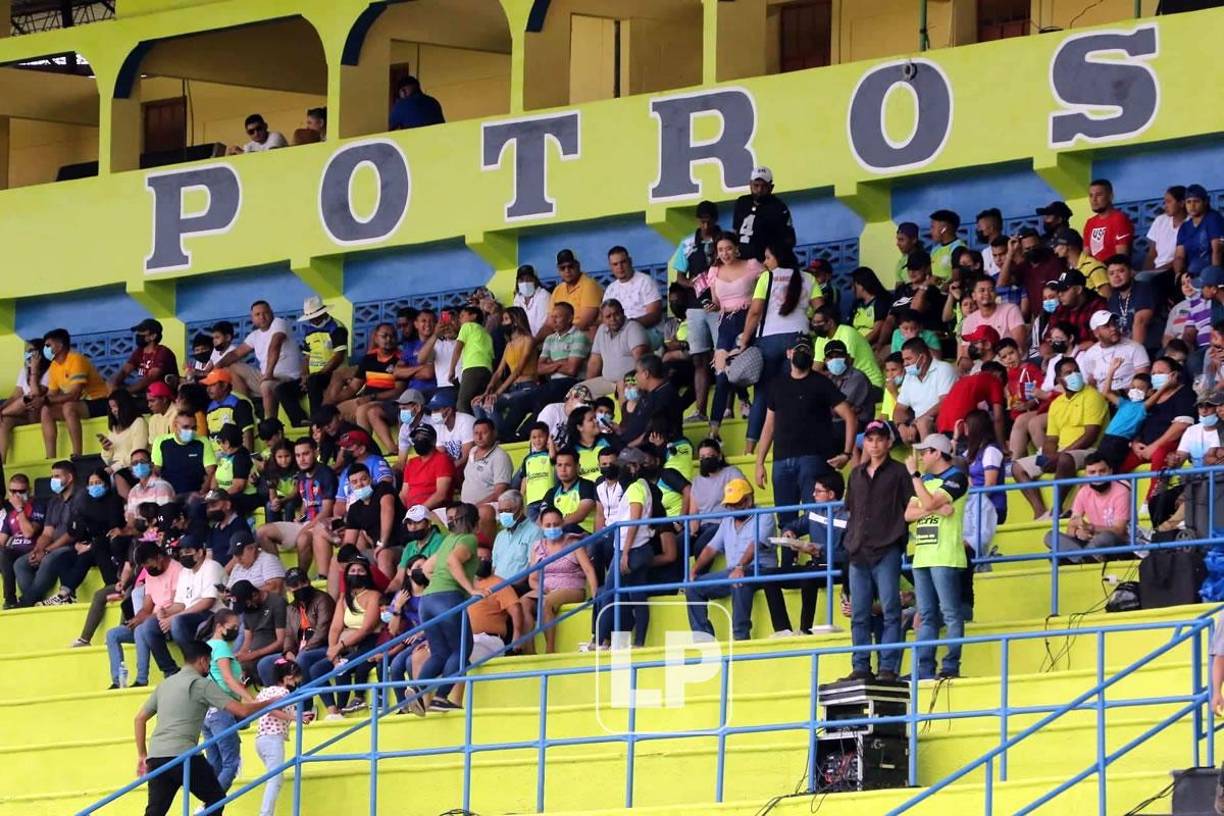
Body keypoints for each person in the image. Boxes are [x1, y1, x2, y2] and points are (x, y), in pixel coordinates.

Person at [134, 640, 273, 816]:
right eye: (209, 662)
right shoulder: (201, 684)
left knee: (155, 811)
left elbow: (139, 719)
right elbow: (242, 710)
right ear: (202, 661)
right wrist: (271, 702)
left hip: (157, 757)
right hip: (184, 755)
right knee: (216, 798)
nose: (209, 667)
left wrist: (142, 754)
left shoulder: (165, 684)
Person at [753, 335, 856, 536]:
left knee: (816, 517)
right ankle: (788, 565)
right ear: (789, 353)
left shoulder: (821, 383)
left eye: (807, 350)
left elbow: (850, 417)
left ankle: (819, 559)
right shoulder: (777, 384)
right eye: (798, 349)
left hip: (813, 458)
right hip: (781, 460)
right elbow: (768, 425)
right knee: (785, 520)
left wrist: (847, 453)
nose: (802, 353)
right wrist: (759, 462)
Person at [842, 421, 914, 682]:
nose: (874, 444)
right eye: (870, 439)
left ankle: (887, 667)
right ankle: (861, 666)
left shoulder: (898, 473)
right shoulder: (856, 474)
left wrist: (897, 537)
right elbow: (852, 511)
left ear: (889, 442)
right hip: (859, 550)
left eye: (879, 439)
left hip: (887, 549)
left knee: (891, 609)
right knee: (859, 612)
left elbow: (910, 508)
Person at [739, 243, 822, 452]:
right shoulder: (808, 278)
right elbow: (821, 310)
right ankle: (789, 445)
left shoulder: (767, 278)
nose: (765, 263)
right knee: (792, 393)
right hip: (798, 340)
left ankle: (750, 449)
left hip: (768, 341)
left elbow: (755, 312)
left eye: (767, 258)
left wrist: (744, 340)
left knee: (762, 395)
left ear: (778, 257)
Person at [904, 435, 969, 681]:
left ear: (937, 453)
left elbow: (928, 501)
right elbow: (908, 514)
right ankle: (924, 669)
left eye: (925, 452)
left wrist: (915, 478)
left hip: (946, 555)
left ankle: (951, 666)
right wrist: (932, 508)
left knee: (950, 613)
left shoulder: (956, 478)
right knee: (927, 614)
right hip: (922, 555)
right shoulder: (927, 481)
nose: (920, 457)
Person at [1012, 358, 1109, 519]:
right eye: (1068, 373)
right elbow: (1051, 438)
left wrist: (1058, 456)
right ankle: (1040, 512)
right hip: (1061, 452)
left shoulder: (1093, 396)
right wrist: (1049, 456)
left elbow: (1090, 436)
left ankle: (1057, 509)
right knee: (1017, 467)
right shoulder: (1057, 403)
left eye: (1076, 371)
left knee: (1065, 459)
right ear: (1059, 380)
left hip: (1088, 451)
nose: (1074, 375)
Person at [684, 476, 777, 643]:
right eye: (730, 505)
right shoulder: (727, 521)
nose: (733, 509)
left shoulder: (765, 516)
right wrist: (693, 570)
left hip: (761, 569)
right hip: (735, 571)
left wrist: (740, 566)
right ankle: (704, 639)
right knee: (692, 587)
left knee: (738, 580)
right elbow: (711, 548)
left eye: (737, 504)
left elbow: (755, 545)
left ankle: (740, 636)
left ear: (749, 500)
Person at [412, 502, 482, 712]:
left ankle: (417, 690)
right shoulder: (468, 539)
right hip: (448, 599)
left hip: (428, 600)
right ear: (474, 523)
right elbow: (453, 561)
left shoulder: (447, 541)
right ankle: (441, 697)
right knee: (462, 650)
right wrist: (470, 589)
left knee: (440, 654)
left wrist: (439, 583)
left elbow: (426, 568)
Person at [309, 556, 383, 719]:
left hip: (370, 642)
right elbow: (335, 628)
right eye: (353, 570)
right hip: (347, 645)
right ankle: (332, 710)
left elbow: (366, 629)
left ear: (367, 574)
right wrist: (332, 649)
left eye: (360, 570)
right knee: (316, 669)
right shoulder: (344, 599)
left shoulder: (374, 596)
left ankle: (343, 707)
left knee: (342, 666)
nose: (356, 573)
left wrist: (339, 646)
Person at [519, 506, 598, 654]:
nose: (552, 528)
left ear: (562, 523)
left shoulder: (574, 543)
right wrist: (544, 589)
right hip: (546, 590)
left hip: (572, 589)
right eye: (548, 525)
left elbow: (588, 569)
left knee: (547, 602)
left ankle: (550, 650)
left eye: (556, 524)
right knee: (524, 602)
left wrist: (595, 595)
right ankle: (530, 652)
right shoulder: (537, 547)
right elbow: (533, 579)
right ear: (541, 526)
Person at [103, 541, 182, 688]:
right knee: (112, 635)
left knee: (141, 628)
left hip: (166, 621)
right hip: (149, 621)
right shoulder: (151, 574)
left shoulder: (176, 570)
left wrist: (142, 620)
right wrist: (136, 618)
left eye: (149, 564)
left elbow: (174, 605)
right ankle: (117, 681)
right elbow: (146, 607)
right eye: (145, 567)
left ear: (159, 557)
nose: (148, 569)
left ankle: (141, 680)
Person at [707, 231, 763, 435]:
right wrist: (710, 306)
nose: (725, 253)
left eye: (728, 248)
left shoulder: (752, 265)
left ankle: (747, 402)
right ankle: (714, 430)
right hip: (725, 324)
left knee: (739, 367)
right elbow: (717, 302)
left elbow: (767, 288)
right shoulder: (714, 271)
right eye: (720, 250)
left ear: (736, 248)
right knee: (721, 376)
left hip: (747, 320)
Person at [214, 301, 305, 423]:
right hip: (267, 377)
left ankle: (270, 423)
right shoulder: (254, 335)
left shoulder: (279, 323)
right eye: (257, 314)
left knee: (266, 385)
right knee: (233, 367)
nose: (262, 317)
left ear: (272, 313)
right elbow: (236, 353)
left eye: (265, 313)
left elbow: (275, 345)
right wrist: (217, 366)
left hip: (288, 379)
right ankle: (248, 412)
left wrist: (268, 373)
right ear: (252, 318)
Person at [12, 459, 84, 606]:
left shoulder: (81, 497)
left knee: (48, 559)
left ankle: (27, 601)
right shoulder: (53, 502)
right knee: (20, 563)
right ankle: (33, 600)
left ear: (69, 478)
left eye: (57, 476)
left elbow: (72, 534)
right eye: (52, 477)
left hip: (72, 546)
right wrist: (38, 550)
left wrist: (47, 551)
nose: (53, 480)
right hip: (50, 547)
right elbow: (47, 533)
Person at [201, 609, 254, 794]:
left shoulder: (207, 646)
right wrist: (251, 700)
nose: (236, 631)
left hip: (206, 713)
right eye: (232, 627)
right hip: (222, 710)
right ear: (219, 627)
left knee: (214, 766)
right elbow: (229, 680)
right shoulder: (221, 647)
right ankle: (209, 806)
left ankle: (209, 807)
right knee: (231, 763)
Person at [1042, 453, 1130, 563]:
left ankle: (1076, 558)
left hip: (1115, 543)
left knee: (1105, 537)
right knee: (1050, 536)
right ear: (1086, 474)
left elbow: (1120, 531)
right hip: (1089, 541)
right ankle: (1085, 558)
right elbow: (1071, 527)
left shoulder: (1121, 491)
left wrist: (1090, 527)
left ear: (1111, 471)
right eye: (1092, 472)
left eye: (1102, 471)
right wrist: (1078, 532)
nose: (1097, 476)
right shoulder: (1084, 492)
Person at [38, 328, 110, 459]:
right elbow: (51, 394)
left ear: (60, 345)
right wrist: (39, 401)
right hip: (80, 404)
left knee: (69, 406)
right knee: (45, 410)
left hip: (99, 401)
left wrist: (46, 400)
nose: (45, 349)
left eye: (48, 345)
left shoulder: (76, 360)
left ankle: (77, 454)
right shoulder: (54, 366)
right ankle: (50, 457)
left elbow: (75, 394)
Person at [473, 306, 538, 440]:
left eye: (506, 319)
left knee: (492, 403)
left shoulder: (528, 340)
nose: (503, 323)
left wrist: (497, 394)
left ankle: (498, 438)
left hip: (528, 387)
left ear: (516, 321)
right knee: (478, 403)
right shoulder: (509, 345)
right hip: (513, 389)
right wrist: (486, 392)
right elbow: (498, 372)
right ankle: (485, 437)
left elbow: (518, 371)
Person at [266, 567, 335, 691]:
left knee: (303, 658)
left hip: (323, 647)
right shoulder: (291, 608)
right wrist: (288, 651)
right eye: (295, 585)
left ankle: (305, 707)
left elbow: (322, 631)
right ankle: (279, 701)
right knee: (265, 663)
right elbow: (288, 635)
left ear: (309, 581)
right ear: (288, 589)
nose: (300, 587)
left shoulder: (323, 599)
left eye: (303, 583)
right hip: (300, 650)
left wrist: (304, 649)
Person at [253, 658, 306, 816]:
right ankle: (265, 813)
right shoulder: (283, 692)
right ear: (289, 677)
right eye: (297, 677)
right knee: (275, 779)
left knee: (277, 778)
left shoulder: (265, 691)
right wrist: (295, 718)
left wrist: (299, 715)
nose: (298, 681)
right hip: (273, 738)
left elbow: (269, 709)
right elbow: (272, 710)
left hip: (261, 740)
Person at [294, 295, 350, 425]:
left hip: (332, 374)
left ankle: (316, 420)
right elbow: (306, 357)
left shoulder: (337, 327)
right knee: (282, 389)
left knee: (314, 381)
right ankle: (299, 419)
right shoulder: (309, 331)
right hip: (313, 375)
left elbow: (338, 356)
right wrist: (304, 376)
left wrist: (318, 374)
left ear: (323, 313)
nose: (312, 320)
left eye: (315, 317)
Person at [894, 337, 959, 443]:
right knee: (878, 429)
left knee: (923, 424)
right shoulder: (909, 376)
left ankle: (928, 458)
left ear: (923, 358)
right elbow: (899, 408)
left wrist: (916, 423)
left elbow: (944, 402)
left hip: (940, 423)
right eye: (904, 360)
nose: (905, 363)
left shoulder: (943, 369)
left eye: (908, 359)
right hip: (916, 424)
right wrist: (901, 426)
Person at [585, 299, 650, 397]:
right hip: (607, 381)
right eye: (608, 316)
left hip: (629, 382)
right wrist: (589, 384)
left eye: (616, 314)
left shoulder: (633, 328)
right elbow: (594, 362)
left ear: (623, 313)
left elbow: (642, 362)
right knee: (579, 391)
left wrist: (630, 383)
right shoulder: (601, 330)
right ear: (602, 319)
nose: (613, 319)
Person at [811, 302, 884, 387]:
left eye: (819, 322)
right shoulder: (821, 339)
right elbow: (816, 370)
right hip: (847, 382)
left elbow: (845, 368)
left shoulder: (847, 333)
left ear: (830, 323)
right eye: (814, 322)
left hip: (870, 383)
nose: (815, 325)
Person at [731, 166, 795, 262]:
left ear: (771, 187)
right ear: (750, 185)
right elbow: (735, 231)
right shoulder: (742, 202)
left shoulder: (779, 207)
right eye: (756, 185)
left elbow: (789, 240)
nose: (759, 190)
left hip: (764, 262)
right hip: (741, 261)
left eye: (764, 186)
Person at [0, 337, 49, 462]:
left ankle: (3, 413)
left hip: (37, 414)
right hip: (22, 413)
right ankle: (2, 461)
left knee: (27, 399)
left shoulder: (49, 371)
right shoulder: (23, 371)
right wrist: (1, 407)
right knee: (3, 421)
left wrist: (34, 371)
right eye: (27, 351)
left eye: (31, 351)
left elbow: (36, 393)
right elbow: (14, 396)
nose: (28, 354)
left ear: (40, 354)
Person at [0, 474, 44, 610]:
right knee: (4, 553)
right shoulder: (9, 514)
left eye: (21, 491)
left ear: (29, 491)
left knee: (10, 558)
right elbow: (2, 540)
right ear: (9, 492)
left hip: (32, 551)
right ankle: (10, 599)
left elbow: (29, 533)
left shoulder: (38, 507)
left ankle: (19, 600)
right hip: (14, 552)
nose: (17, 495)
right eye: (13, 492)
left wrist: (20, 510)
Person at [1079, 310, 1151, 392]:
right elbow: (1091, 382)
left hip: (1128, 399)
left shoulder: (1135, 348)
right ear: (1096, 333)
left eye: (1114, 324)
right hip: (1102, 400)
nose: (1113, 328)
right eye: (1106, 326)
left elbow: (1143, 382)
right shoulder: (1090, 354)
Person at [111, 318, 178, 397]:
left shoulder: (163, 352)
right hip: (147, 395)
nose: (138, 334)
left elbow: (151, 377)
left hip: (163, 396)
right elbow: (125, 370)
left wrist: (125, 392)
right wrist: (113, 384)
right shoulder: (139, 351)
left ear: (153, 336)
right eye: (138, 332)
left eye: (141, 332)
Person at [448, 305, 494, 415]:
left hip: (472, 369)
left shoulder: (467, 327)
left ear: (473, 316)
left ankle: (468, 429)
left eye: (462, 315)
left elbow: (457, 349)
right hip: (487, 371)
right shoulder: (487, 334)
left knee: (462, 404)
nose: (460, 319)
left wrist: (452, 370)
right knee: (478, 403)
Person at [401, 423, 455, 514]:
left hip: (433, 512)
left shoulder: (442, 459)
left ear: (433, 441)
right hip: (412, 513)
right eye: (416, 438)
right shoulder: (411, 463)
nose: (418, 440)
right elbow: (403, 494)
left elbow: (441, 495)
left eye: (422, 437)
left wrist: (418, 512)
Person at [1104, 255, 1156, 347]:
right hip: (1122, 348)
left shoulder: (1142, 288)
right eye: (1111, 273)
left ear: (1131, 272)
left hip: (1146, 348)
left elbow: (1140, 322)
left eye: (1121, 271)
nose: (1116, 276)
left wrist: (1133, 354)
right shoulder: (1113, 299)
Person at [542, 449, 597, 535]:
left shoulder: (587, 486)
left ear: (577, 467)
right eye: (559, 465)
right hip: (560, 535)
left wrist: (556, 525)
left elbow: (580, 514)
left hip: (585, 536)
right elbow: (541, 518)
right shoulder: (552, 492)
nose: (563, 469)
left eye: (567, 465)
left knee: (569, 527)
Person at [1175, 183, 1224, 278]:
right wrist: (1179, 275)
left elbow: (1217, 250)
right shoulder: (1185, 227)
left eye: (1196, 201)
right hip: (1192, 275)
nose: (1192, 206)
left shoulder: (1213, 218)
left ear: (1205, 202)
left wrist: (1213, 279)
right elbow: (1179, 256)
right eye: (1188, 202)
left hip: (1211, 274)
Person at [892, 250, 946, 333]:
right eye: (909, 268)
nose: (912, 272)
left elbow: (915, 312)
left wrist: (925, 285)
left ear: (927, 268)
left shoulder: (932, 290)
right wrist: (880, 342)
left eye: (916, 268)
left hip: (923, 335)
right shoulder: (902, 289)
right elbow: (890, 318)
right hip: (900, 335)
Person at [1083, 178, 1134, 261]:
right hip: (1095, 271)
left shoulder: (1119, 219)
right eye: (1091, 195)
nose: (1094, 199)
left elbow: (1121, 257)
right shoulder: (1090, 222)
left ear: (1110, 196)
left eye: (1099, 195)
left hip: (1113, 271)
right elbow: (1086, 256)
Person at [1144, 185, 1187, 277]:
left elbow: (1182, 258)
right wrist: (1145, 274)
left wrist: (1156, 273)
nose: (1165, 206)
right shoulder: (1161, 220)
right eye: (1165, 202)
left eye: (1169, 202)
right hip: (1156, 270)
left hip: (1174, 271)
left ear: (1181, 203)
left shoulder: (1190, 224)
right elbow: (1152, 253)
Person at [1053, 228, 1109, 297]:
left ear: (1066, 246)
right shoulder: (1066, 269)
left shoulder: (1093, 266)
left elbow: (1108, 297)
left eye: (1056, 245)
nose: (1055, 250)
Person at [849, 266, 894, 353]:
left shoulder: (881, 301)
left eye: (853, 285)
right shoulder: (856, 304)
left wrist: (858, 346)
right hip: (854, 344)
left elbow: (877, 330)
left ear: (860, 285)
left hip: (869, 345)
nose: (852, 289)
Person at [512, 265, 552, 336]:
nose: (525, 283)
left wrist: (531, 342)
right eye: (521, 280)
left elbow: (542, 325)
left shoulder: (543, 296)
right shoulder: (518, 297)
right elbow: (515, 323)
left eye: (529, 279)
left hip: (540, 340)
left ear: (535, 280)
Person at [928, 209, 966, 282]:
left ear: (944, 229)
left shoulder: (958, 248)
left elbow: (957, 277)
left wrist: (942, 283)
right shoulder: (935, 249)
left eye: (933, 227)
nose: (931, 231)